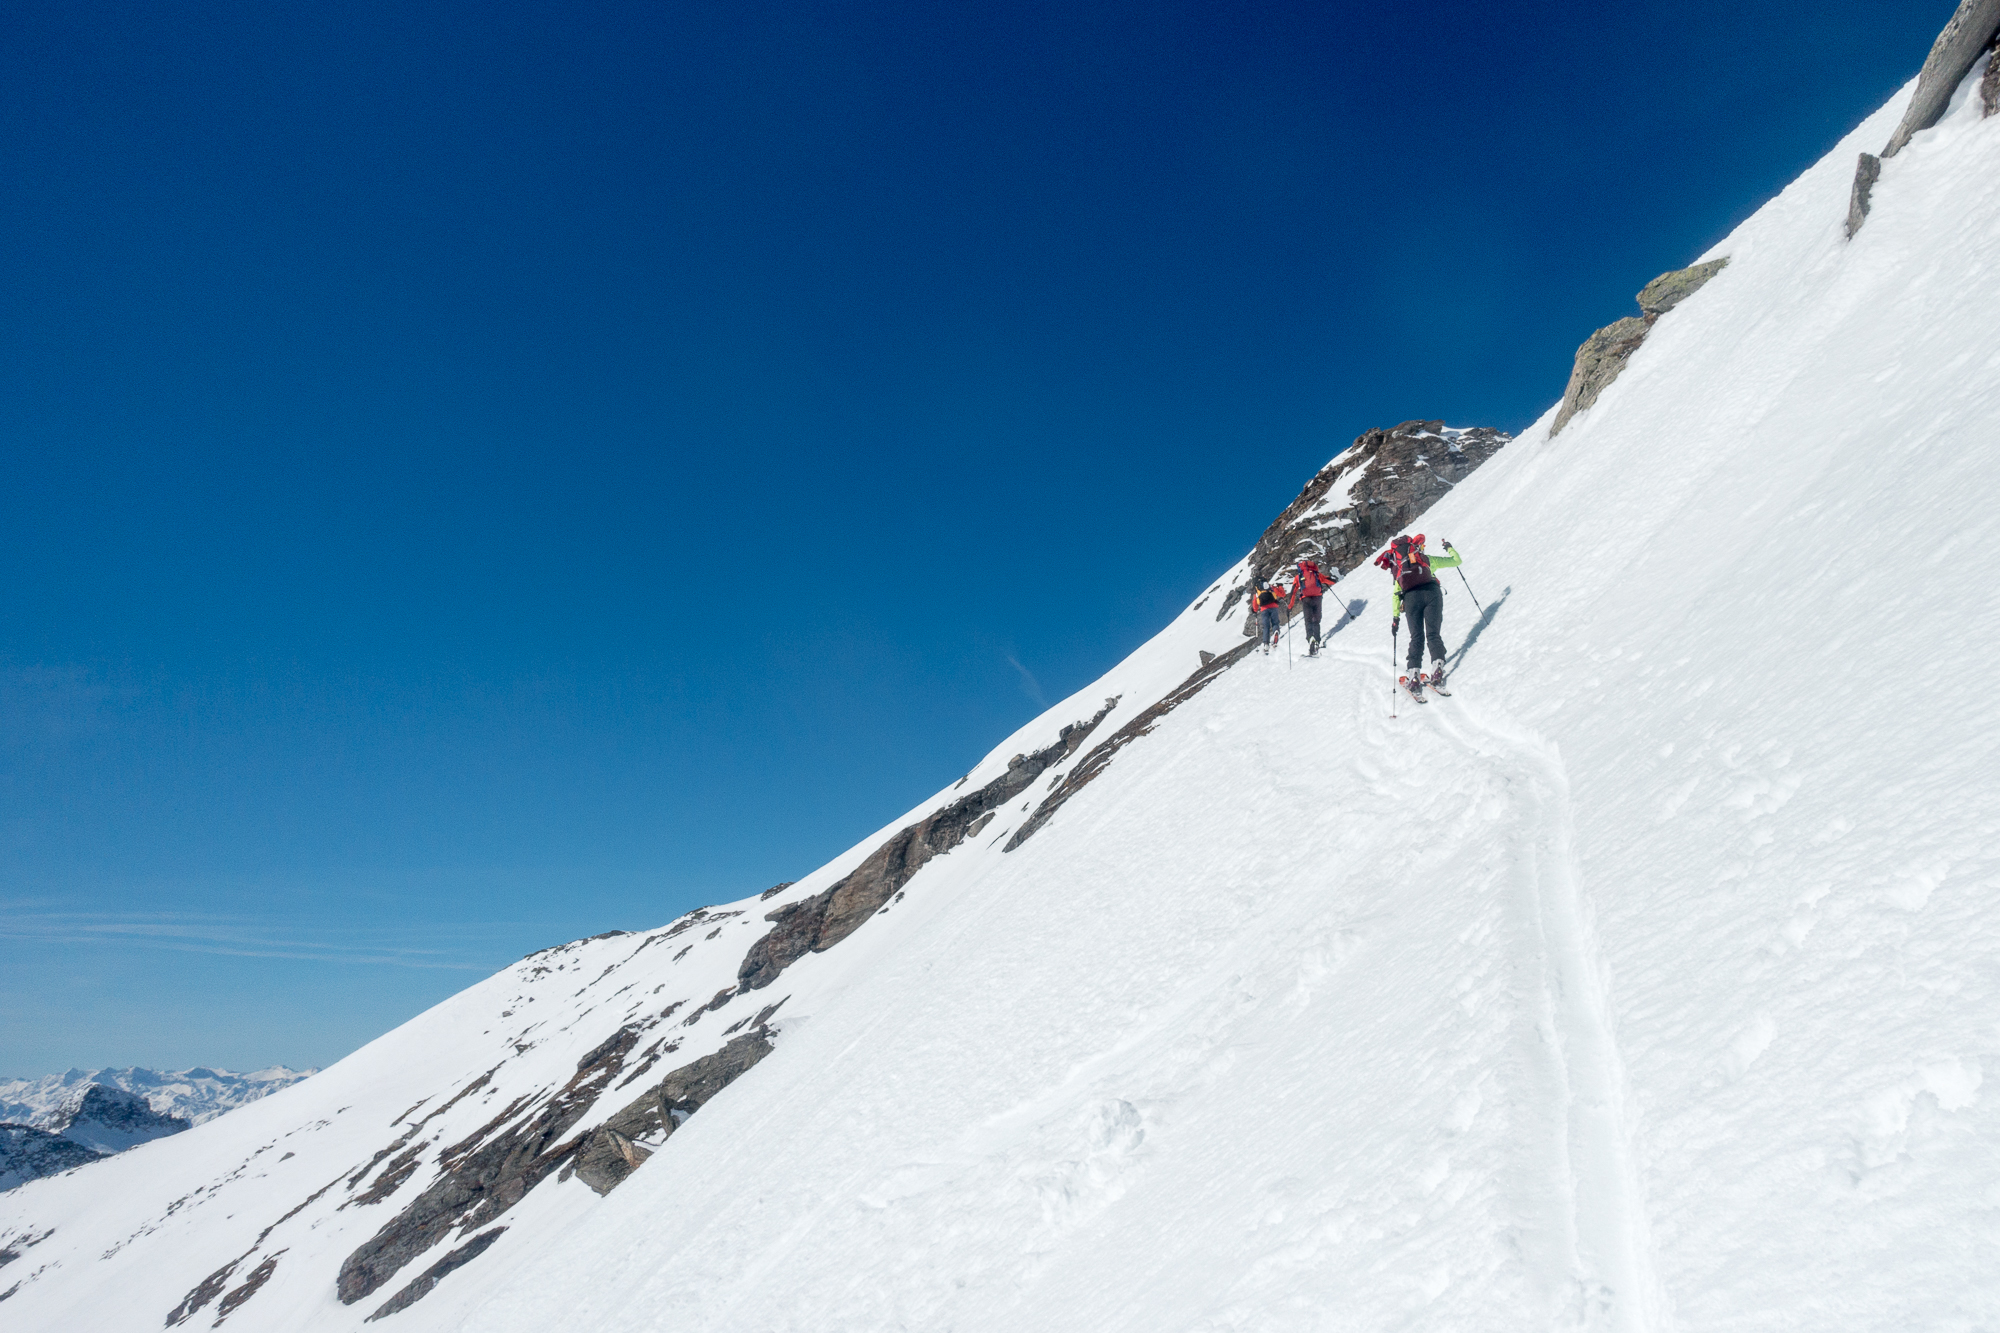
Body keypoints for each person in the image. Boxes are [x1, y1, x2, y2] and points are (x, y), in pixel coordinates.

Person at [1378, 535, 1464, 696]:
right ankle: (1437, 669)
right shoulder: (1427, 560)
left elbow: (1396, 594)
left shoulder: (1401, 569)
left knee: (1416, 637)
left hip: (1411, 598)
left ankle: (1414, 677)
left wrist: (1395, 618)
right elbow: (1456, 561)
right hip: (1433, 593)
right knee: (1433, 633)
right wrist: (1449, 548)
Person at [1288, 557, 1339, 652]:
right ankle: (1317, 641)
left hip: (1306, 598)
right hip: (1317, 598)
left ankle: (1310, 638)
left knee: (1308, 620)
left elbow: (1293, 592)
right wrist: (1334, 581)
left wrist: (1290, 606)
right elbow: (1327, 580)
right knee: (1316, 620)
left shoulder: (1299, 576)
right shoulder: (1316, 574)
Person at [1249, 575, 1288, 653]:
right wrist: (1280, 586)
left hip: (1264, 609)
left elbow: (1255, 602)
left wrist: (1254, 610)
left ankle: (1266, 643)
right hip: (1274, 606)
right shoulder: (1270, 587)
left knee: (1266, 626)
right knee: (1275, 622)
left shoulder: (1257, 591)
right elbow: (1282, 594)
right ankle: (1276, 631)